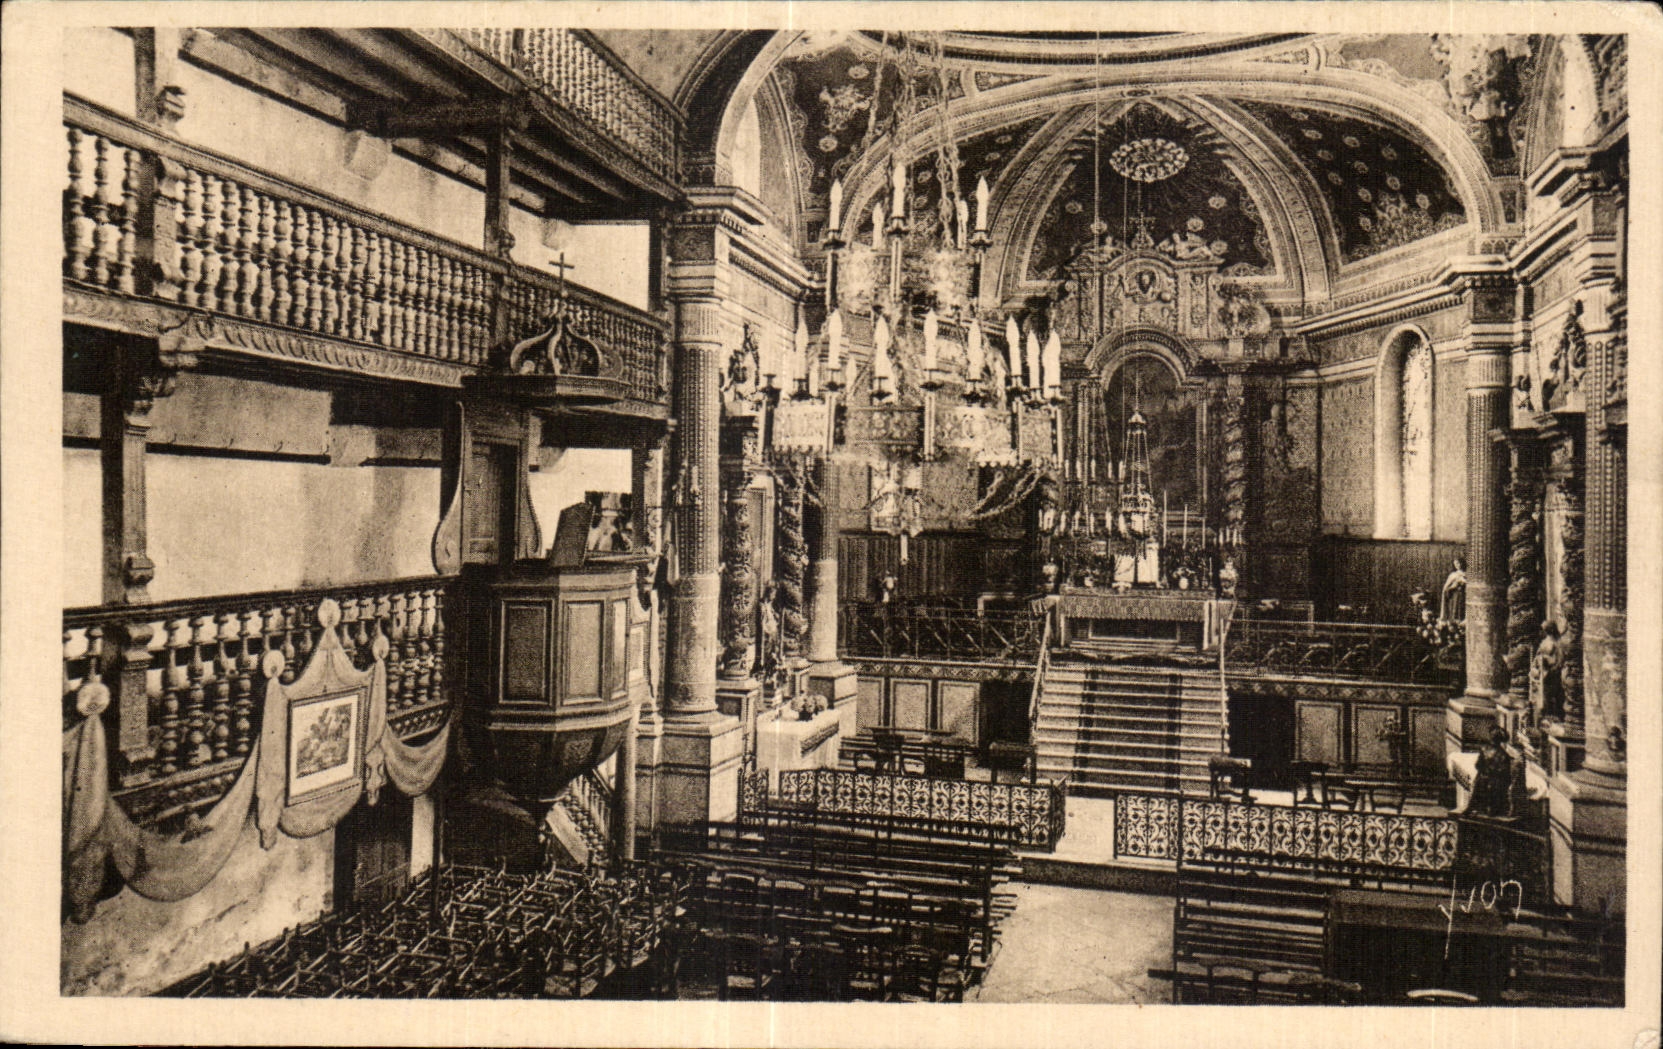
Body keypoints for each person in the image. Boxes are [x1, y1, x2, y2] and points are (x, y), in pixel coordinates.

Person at [1530, 620, 1565, 723]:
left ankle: (1551, 716)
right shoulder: (1545, 641)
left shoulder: (1558, 642)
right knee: (1542, 697)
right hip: (1543, 673)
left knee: (1552, 697)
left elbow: (1559, 659)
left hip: (1552, 674)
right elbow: (1538, 655)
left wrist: (1550, 663)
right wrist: (1539, 661)